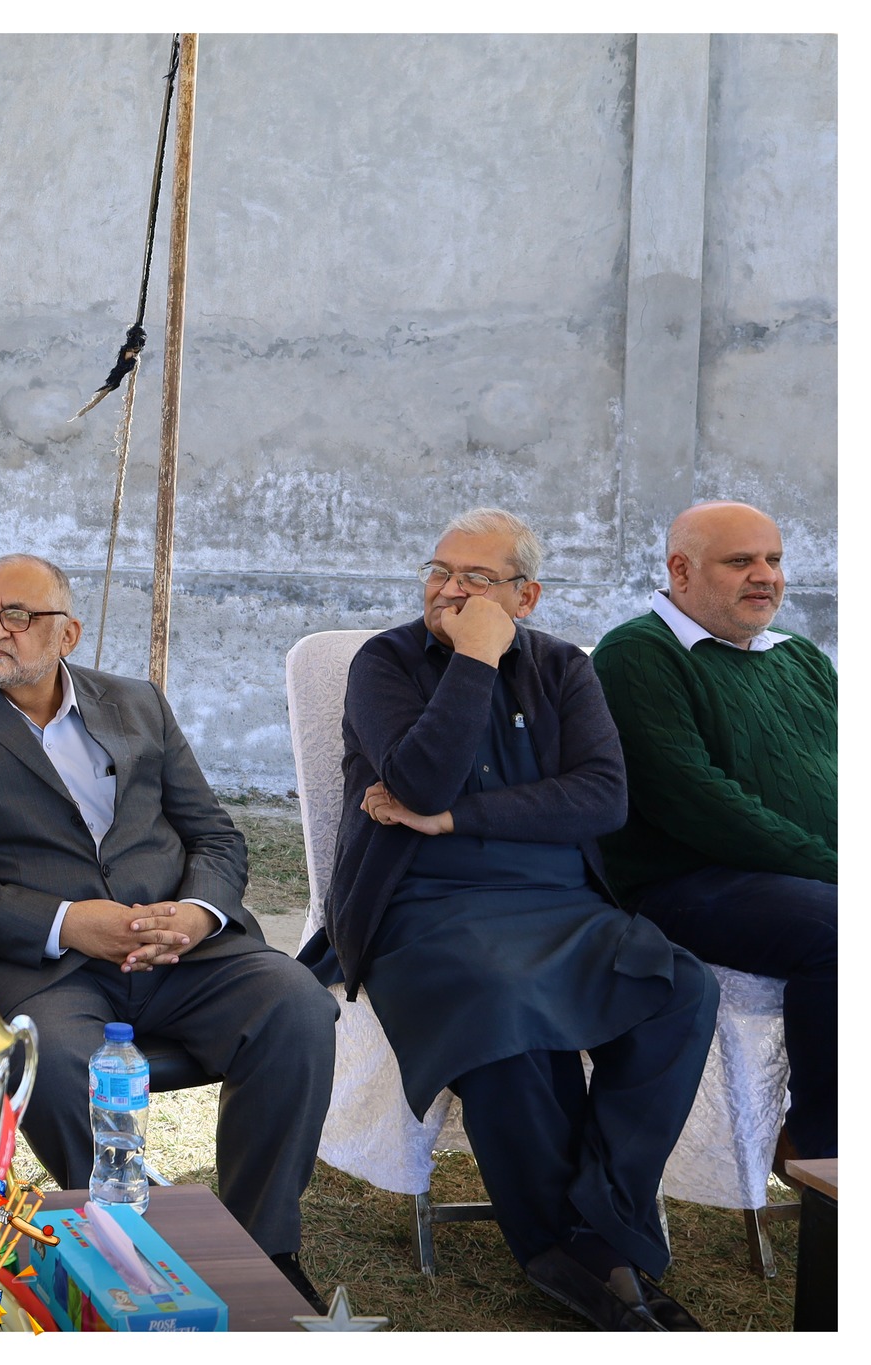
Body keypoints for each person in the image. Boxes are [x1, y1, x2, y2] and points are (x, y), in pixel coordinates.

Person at [0, 553, 338, 1312]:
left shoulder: (137, 703)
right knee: (55, 1058)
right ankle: (129, 1255)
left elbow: (215, 836)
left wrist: (197, 914)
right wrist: (67, 923)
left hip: (182, 951)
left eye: (16, 615)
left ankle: (262, 1251)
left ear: (67, 633)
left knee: (297, 1004)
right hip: (51, 969)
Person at [306, 507, 719, 1331]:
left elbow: (602, 797)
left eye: (476, 578)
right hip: (425, 909)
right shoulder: (384, 663)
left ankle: (593, 1224)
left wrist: (455, 818)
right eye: (438, 571)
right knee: (500, 1003)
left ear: (525, 596)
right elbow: (419, 779)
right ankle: (580, 1254)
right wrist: (475, 660)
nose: (448, 589)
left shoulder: (565, 667)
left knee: (682, 988)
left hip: (560, 903)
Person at [592, 501, 835, 1164]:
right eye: (741, 561)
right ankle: (824, 1154)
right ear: (681, 570)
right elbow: (697, 804)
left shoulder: (800, 658)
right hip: (683, 885)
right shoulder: (639, 654)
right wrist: (836, 866)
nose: (766, 576)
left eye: (774, 559)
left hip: (799, 875)